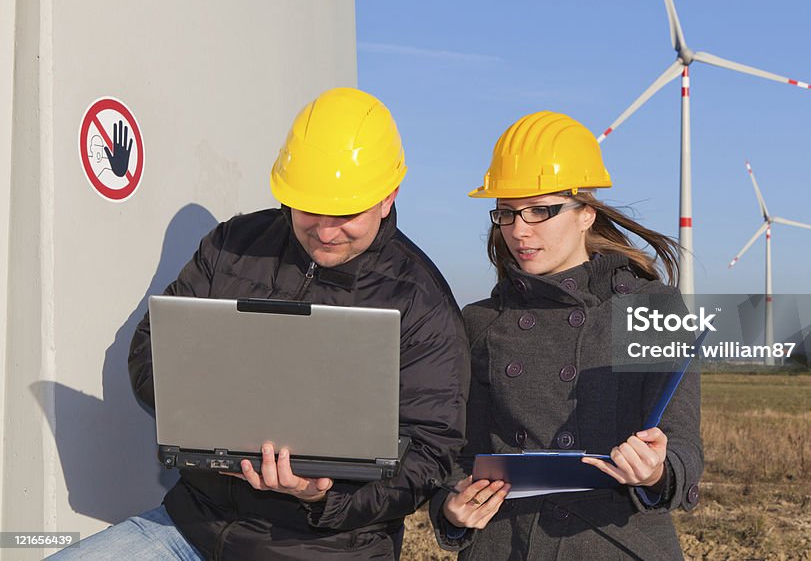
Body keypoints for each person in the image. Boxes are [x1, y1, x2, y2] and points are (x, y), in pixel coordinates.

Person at [54, 88, 469, 560]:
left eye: (347, 214)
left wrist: (321, 496)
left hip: (324, 547)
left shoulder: (422, 303)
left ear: (388, 196)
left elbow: (430, 456)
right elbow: (150, 352)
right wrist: (220, 427)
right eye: (310, 208)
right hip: (191, 525)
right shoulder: (234, 243)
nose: (326, 231)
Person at [429, 111, 702, 560]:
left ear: (585, 215)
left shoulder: (652, 309)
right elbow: (455, 455)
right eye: (507, 213)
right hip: (506, 547)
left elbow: (683, 444)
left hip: (616, 542)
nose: (519, 230)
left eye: (541, 211)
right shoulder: (480, 322)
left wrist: (655, 470)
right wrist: (451, 508)